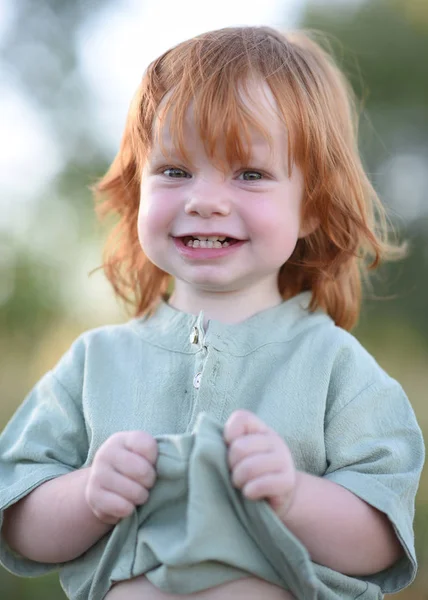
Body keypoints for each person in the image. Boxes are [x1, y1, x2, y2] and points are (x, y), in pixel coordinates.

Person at [0, 25, 424, 600]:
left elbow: (382, 539)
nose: (205, 199)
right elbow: (19, 523)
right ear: (138, 187)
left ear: (311, 208)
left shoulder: (335, 368)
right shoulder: (92, 364)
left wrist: (294, 497)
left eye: (250, 174)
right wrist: (87, 496)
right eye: (174, 170)